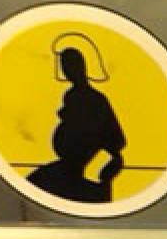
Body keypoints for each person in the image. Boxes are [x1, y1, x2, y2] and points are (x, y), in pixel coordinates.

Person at [27, 33, 126, 203]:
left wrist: (99, 160)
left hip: (87, 169)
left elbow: (117, 139)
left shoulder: (96, 99)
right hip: (69, 168)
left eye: (70, 65)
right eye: (64, 66)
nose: (67, 70)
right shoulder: (71, 96)